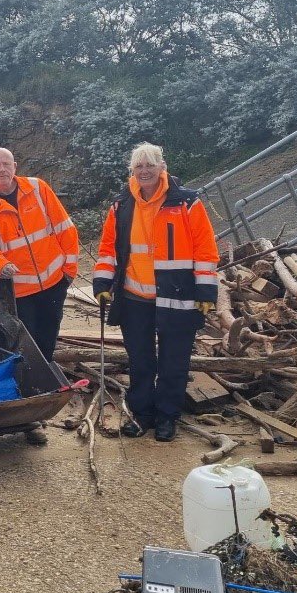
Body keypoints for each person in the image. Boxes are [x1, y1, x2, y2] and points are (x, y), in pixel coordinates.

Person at [92, 142, 218, 442]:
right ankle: (142, 414)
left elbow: (205, 249)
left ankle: (167, 416)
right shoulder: (121, 206)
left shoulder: (186, 203)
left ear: (163, 167)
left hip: (178, 294)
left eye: (150, 164)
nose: (145, 170)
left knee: (174, 361)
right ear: (132, 171)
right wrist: (102, 284)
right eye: (139, 166)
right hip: (135, 297)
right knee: (140, 360)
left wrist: (205, 290)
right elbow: (108, 249)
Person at [0, 148, 80, 445]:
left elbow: (65, 228)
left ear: (15, 166)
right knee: (28, 346)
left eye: (6, 164)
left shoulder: (38, 188)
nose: (2, 169)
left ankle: (41, 401)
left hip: (53, 282)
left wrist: (69, 269)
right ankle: (30, 411)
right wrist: (1, 264)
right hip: (21, 290)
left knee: (48, 341)